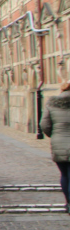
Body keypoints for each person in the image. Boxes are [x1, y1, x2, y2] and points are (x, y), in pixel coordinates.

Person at [40, 83, 70, 212]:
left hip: (58, 142)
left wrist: (53, 135)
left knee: (64, 174)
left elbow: (44, 124)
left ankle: (68, 202)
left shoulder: (52, 104)